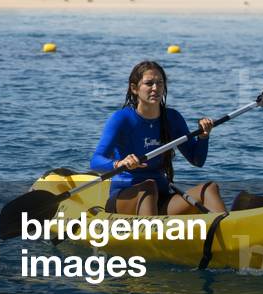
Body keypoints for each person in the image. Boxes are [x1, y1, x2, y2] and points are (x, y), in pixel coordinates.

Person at [90, 60, 225, 215]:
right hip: (125, 199)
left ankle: (227, 229)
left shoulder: (172, 118)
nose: (155, 88)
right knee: (148, 187)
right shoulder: (122, 119)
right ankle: (152, 237)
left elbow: (197, 160)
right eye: (149, 83)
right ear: (134, 88)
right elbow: (95, 161)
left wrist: (203, 137)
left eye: (160, 83)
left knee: (209, 188)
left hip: (162, 197)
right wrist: (120, 163)